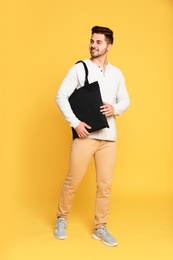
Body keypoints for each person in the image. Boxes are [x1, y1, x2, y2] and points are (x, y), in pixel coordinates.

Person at [55, 26, 130, 247]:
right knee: (73, 181)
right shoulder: (80, 68)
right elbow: (61, 96)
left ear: (109, 46)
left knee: (105, 186)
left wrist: (114, 109)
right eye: (91, 41)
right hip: (86, 136)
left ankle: (100, 227)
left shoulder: (117, 73)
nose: (93, 45)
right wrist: (75, 123)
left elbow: (126, 100)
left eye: (98, 42)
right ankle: (61, 218)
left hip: (109, 138)